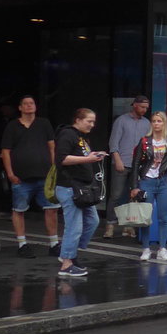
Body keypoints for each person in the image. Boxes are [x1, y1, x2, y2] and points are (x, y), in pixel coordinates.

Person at [0, 94, 60, 258]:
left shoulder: (44, 123)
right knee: (19, 209)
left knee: (52, 209)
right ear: (20, 108)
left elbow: (52, 147)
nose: (29, 106)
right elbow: (6, 152)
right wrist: (10, 173)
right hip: (20, 176)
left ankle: (54, 243)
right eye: (25, 103)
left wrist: (55, 171)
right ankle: (22, 244)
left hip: (45, 176)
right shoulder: (12, 126)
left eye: (31, 103)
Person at [54, 108, 107, 278]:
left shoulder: (81, 137)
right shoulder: (67, 135)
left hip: (82, 188)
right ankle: (66, 264)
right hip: (70, 187)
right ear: (77, 119)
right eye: (89, 121)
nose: (92, 124)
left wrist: (92, 155)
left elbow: (81, 155)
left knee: (93, 221)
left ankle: (68, 253)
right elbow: (62, 159)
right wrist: (88, 159)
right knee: (74, 226)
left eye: (93, 121)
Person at [129, 111, 167, 261]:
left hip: (163, 182)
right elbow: (135, 165)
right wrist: (134, 186)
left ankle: (162, 248)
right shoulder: (144, 141)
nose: (156, 124)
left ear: (164, 123)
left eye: (159, 121)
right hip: (147, 181)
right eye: (154, 121)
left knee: (163, 217)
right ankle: (146, 248)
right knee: (146, 217)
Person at [104, 94, 151, 239]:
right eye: (142, 107)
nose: (144, 110)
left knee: (134, 195)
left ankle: (129, 226)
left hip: (139, 165)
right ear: (135, 105)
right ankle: (110, 225)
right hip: (122, 161)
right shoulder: (121, 120)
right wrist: (117, 159)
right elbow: (113, 142)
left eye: (146, 108)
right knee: (116, 195)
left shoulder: (146, 123)